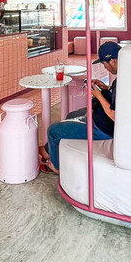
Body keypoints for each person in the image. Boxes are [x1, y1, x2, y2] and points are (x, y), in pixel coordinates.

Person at [39, 41, 121, 174]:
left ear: (112, 61)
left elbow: (114, 115)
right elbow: (117, 99)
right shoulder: (124, 77)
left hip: (102, 127)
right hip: (99, 118)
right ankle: (48, 150)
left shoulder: (121, 81)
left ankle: (56, 167)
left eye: (104, 63)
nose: (104, 67)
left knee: (53, 130)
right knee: (71, 115)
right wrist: (106, 88)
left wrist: (98, 95)